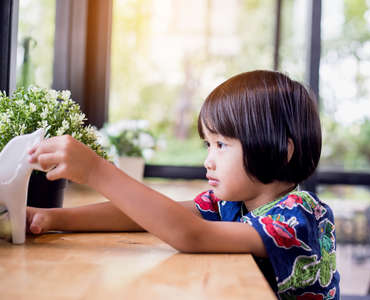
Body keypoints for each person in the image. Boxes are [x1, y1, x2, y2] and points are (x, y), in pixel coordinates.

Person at [27, 70, 340, 299]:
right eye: (208, 145)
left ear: (281, 151)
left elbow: (191, 234)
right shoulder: (234, 203)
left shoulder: (299, 217)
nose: (209, 160)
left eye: (222, 145)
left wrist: (97, 171)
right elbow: (142, 215)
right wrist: (53, 218)